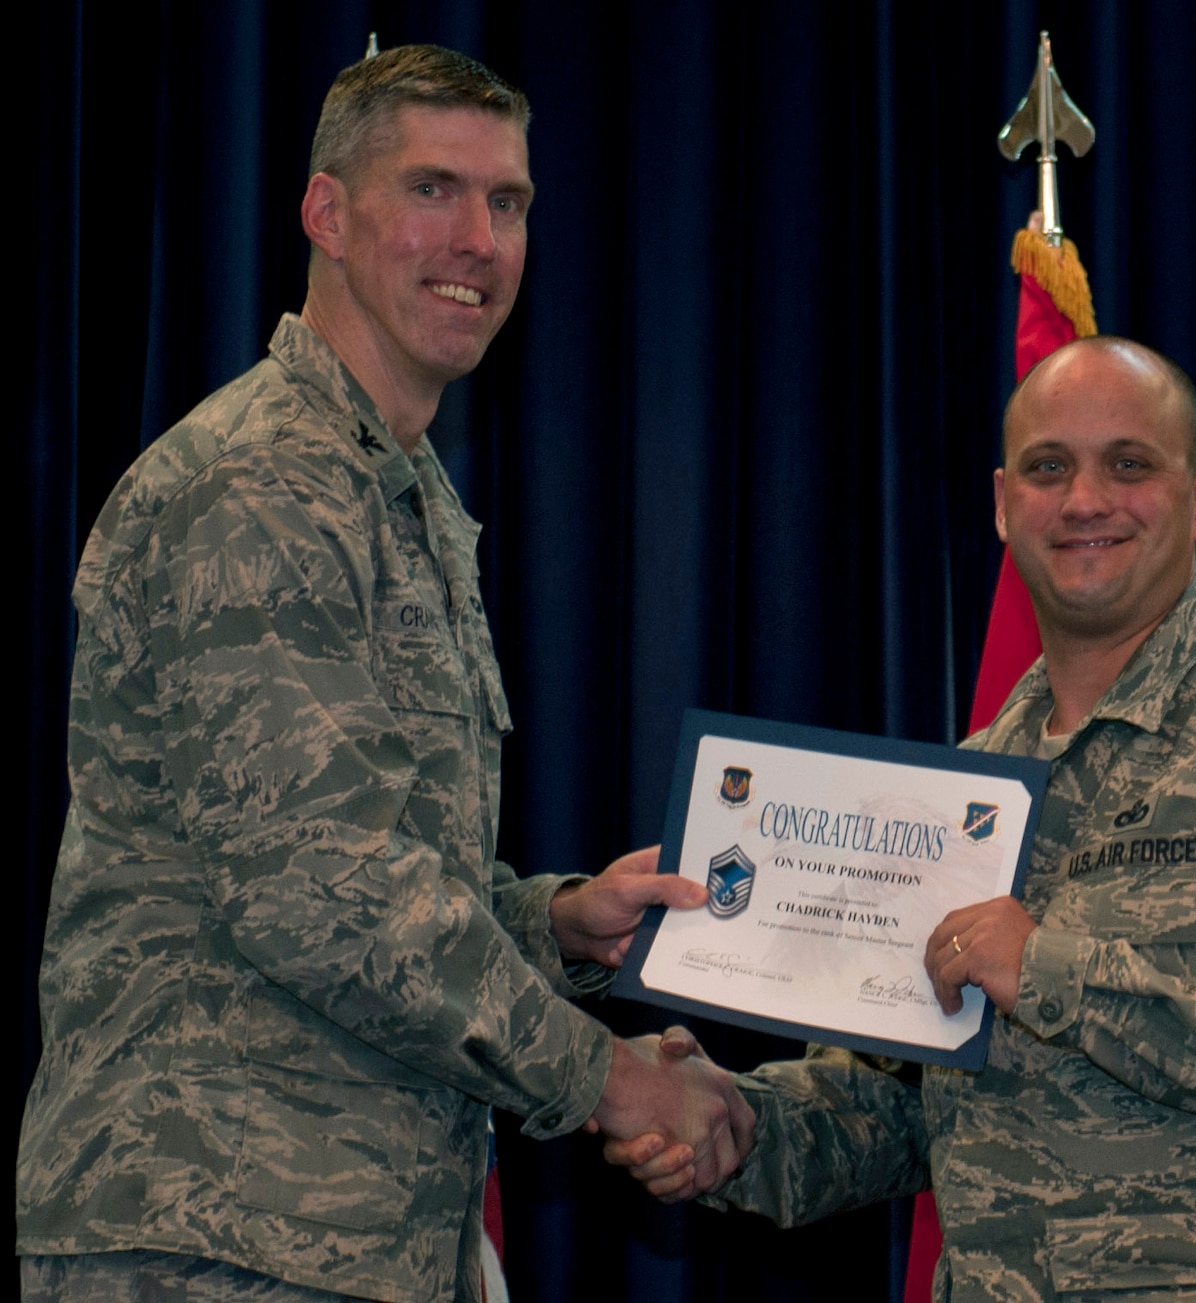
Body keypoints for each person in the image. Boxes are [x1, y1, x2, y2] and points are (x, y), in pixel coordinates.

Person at [17, 44, 750, 1303]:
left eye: (507, 203)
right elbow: (328, 896)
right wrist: (615, 1079)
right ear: (327, 214)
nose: (476, 239)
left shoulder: (397, 495)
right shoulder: (258, 484)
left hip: (341, 1236)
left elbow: (366, 873)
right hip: (213, 1232)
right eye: (431, 190)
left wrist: (556, 925)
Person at [614, 336, 1196, 1299]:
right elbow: (896, 1106)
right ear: (1006, 506)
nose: (1085, 499)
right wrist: (727, 1124)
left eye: (1128, 464)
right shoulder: (961, 792)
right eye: (1050, 468)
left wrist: (1059, 972)